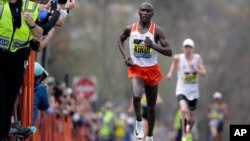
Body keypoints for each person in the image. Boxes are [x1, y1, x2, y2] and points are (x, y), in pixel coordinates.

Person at [118, 2, 172, 141]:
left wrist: (153, 45)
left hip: (152, 70)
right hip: (136, 69)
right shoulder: (130, 29)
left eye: (148, 11)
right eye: (143, 10)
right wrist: (126, 56)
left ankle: (150, 135)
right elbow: (120, 40)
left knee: (151, 108)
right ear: (138, 12)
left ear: (152, 14)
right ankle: (138, 122)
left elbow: (169, 51)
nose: (145, 13)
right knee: (136, 96)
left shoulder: (157, 31)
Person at [0, 0, 43, 139]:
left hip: (17, 61)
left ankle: (2, 134)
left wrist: (32, 23)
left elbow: (40, 34)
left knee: (9, 100)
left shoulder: (30, 7)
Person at [166, 38, 207, 141]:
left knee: (192, 117)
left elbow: (205, 73)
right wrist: (170, 73)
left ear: (193, 48)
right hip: (182, 89)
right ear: (183, 48)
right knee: (184, 109)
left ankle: (187, 132)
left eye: (190, 47)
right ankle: (184, 134)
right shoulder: (178, 58)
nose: (188, 49)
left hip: (193, 91)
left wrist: (195, 69)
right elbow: (173, 65)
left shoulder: (197, 58)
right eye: (186, 47)